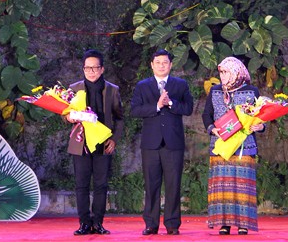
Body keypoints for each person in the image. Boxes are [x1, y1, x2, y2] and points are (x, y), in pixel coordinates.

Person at [130, 49, 194, 236]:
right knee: (151, 185)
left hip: (173, 143)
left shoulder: (180, 84)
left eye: (165, 62)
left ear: (171, 65)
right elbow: (135, 110)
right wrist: (157, 105)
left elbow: (189, 108)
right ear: (152, 64)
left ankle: (172, 224)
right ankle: (151, 224)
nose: (161, 65)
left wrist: (171, 103)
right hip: (151, 144)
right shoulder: (143, 86)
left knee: (173, 184)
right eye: (157, 62)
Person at [202, 57, 266, 235]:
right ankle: (224, 223)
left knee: (242, 186)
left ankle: (243, 223)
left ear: (237, 72)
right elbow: (206, 114)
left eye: (227, 72)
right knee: (223, 186)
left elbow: (260, 115)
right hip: (221, 145)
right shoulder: (215, 91)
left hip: (244, 147)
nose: (223, 76)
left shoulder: (251, 91)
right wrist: (212, 128)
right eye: (221, 72)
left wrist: (260, 126)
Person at [65, 49, 124, 236]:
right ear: (83, 69)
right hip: (81, 144)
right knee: (81, 185)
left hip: (103, 144)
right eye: (87, 68)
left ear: (102, 69)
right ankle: (84, 223)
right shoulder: (74, 89)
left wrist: (114, 139)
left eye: (95, 68)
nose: (91, 71)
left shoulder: (112, 90)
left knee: (101, 185)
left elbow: (120, 119)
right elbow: (65, 115)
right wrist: (69, 118)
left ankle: (98, 223)